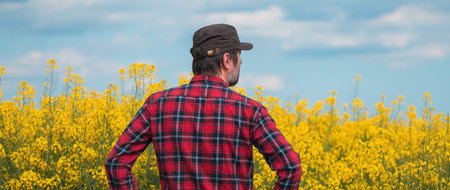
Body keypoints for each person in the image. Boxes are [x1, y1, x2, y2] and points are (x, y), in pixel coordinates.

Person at [105, 24, 302, 190]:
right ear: (227, 60)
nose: (241, 62)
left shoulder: (157, 105)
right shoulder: (250, 111)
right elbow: (290, 167)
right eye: (239, 56)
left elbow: (116, 163)